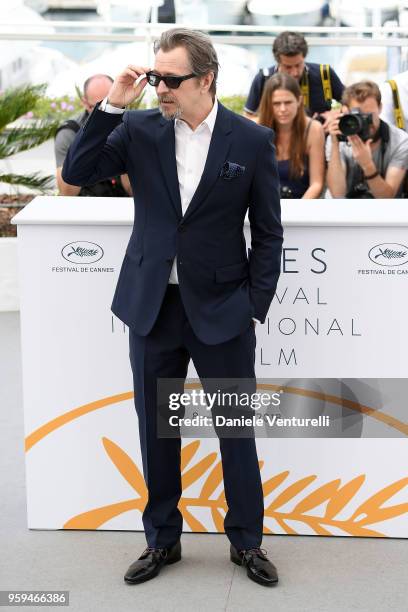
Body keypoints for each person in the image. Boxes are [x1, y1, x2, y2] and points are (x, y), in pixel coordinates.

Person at [62, 28, 283, 587]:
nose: (160, 87)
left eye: (171, 79)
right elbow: (79, 172)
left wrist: (252, 305)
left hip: (223, 310)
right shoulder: (136, 128)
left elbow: (269, 233)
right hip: (152, 308)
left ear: (206, 79)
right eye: (156, 77)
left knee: (236, 430)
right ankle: (162, 541)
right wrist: (115, 103)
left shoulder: (250, 141)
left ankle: (247, 542)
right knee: (156, 432)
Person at [244, 31, 344, 132]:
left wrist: (336, 114)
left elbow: (351, 104)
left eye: (298, 65)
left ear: (304, 57)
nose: (294, 72)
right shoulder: (263, 78)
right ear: (278, 62)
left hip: (321, 140)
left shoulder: (324, 74)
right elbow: (248, 119)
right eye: (288, 67)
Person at [326, 80, 408, 198]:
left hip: (382, 212)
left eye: (369, 116)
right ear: (346, 111)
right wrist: (334, 144)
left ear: (380, 108)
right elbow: (337, 194)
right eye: (358, 116)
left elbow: (387, 199)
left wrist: (367, 165)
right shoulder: (338, 136)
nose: (365, 122)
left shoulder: (400, 141)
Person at [54, 74, 132, 197]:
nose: (104, 112)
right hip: (82, 206)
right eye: (98, 107)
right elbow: (67, 192)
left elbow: (134, 191)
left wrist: (129, 148)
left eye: (109, 104)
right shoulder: (69, 132)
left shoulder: (129, 127)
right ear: (85, 103)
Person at [257, 73, 325, 199]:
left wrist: (297, 213)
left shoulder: (313, 129)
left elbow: (316, 184)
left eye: (288, 102)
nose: (283, 109)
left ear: (299, 101)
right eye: (276, 103)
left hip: (302, 208)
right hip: (265, 208)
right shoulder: (256, 129)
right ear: (268, 104)